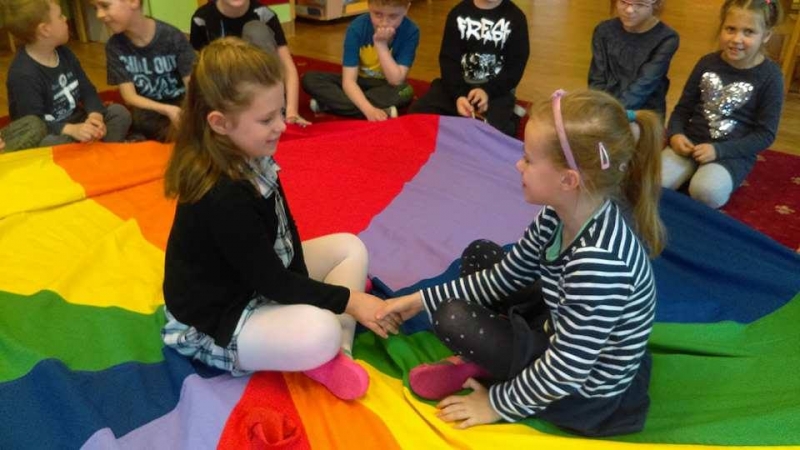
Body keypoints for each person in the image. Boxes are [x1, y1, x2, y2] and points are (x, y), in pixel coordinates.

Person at [378, 89, 665, 436]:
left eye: (528, 159)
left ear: (568, 180)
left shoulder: (599, 262)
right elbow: (505, 277)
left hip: (581, 391)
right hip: (560, 325)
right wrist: (420, 300)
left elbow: (567, 370)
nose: (518, 165)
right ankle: (494, 356)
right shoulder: (558, 212)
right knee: (480, 254)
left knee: (453, 318)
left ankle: (493, 368)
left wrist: (496, 404)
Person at [162, 38, 400, 400]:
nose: (281, 126)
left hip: (258, 279)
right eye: (266, 119)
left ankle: (337, 353)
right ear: (220, 123)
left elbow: (286, 233)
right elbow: (273, 282)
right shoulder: (221, 194)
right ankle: (326, 347)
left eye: (279, 112)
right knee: (321, 329)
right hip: (222, 317)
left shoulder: (251, 152)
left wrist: (321, 294)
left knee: (349, 247)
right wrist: (348, 301)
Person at [662, 0, 783, 209]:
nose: (736, 39)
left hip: (731, 153)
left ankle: (707, 177)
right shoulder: (706, 62)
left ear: (766, 36)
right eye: (730, 29)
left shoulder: (771, 76)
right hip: (690, 143)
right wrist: (676, 134)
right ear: (721, 28)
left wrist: (719, 151)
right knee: (655, 181)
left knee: (706, 192)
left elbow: (765, 134)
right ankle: (691, 173)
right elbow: (683, 108)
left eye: (748, 32)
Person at [3, 0, 131, 146]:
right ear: (45, 30)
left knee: (119, 113)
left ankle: (94, 149)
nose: (65, 19)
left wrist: (95, 116)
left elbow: (87, 90)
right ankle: (95, 150)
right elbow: (34, 125)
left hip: (78, 121)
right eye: (60, 16)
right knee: (51, 142)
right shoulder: (23, 75)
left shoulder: (64, 53)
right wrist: (71, 130)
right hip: (52, 131)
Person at [408, 0, 529, 136]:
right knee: (418, 111)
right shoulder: (457, 13)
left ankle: (512, 119)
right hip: (459, 85)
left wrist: (487, 92)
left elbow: (515, 68)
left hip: (495, 92)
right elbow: (448, 60)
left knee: (493, 133)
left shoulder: (516, 18)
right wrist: (458, 95)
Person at [189, 0, 309, 126]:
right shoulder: (202, 18)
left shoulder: (264, 14)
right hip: (227, 91)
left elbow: (287, 66)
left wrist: (291, 111)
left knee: (255, 30)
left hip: (260, 85)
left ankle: (271, 110)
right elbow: (196, 71)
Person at [301, 0, 419, 121]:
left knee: (405, 90)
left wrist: (381, 45)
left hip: (385, 86)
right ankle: (375, 109)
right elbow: (349, 81)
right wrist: (368, 110)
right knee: (310, 78)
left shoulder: (411, 31)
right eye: (378, 14)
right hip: (358, 82)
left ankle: (330, 106)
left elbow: (395, 80)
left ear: (406, 9)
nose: (384, 23)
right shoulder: (356, 28)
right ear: (369, 5)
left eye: (393, 16)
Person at [95, 0, 196, 142]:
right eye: (95, 8)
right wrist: (166, 109)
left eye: (105, 6)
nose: (99, 15)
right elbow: (129, 97)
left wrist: (187, 113)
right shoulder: (114, 46)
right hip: (149, 113)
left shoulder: (172, 36)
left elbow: (192, 85)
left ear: (133, 2)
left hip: (182, 107)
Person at [588, 0, 679, 117]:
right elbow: (597, 78)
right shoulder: (603, 30)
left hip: (644, 111)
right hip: (605, 107)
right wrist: (599, 107)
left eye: (640, 4)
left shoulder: (667, 38)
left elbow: (645, 84)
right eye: (623, 2)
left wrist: (613, 113)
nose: (629, 10)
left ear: (656, 5)